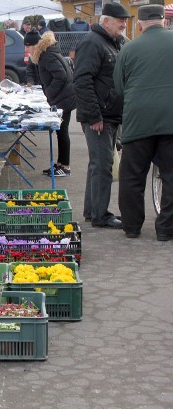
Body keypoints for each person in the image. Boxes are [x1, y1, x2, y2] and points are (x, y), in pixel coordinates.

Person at [113, 5, 173, 241]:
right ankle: (166, 229)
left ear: (139, 25)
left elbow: (119, 87)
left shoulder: (128, 49)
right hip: (171, 120)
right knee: (170, 175)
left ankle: (132, 227)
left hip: (138, 120)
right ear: (163, 21)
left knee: (132, 176)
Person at [73, 2, 129, 229]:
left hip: (109, 114)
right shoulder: (93, 43)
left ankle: (93, 210)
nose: (124, 25)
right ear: (106, 21)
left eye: (125, 21)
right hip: (99, 117)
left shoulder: (113, 43)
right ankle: (100, 216)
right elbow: (81, 81)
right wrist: (94, 115)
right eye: (120, 21)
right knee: (103, 165)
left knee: (98, 164)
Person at [24, 30, 76, 177]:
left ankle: (65, 166)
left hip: (63, 98)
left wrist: (50, 94)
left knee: (62, 131)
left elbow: (61, 75)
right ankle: (60, 164)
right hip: (63, 96)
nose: (26, 49)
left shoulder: (47, 56)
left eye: (28, 46)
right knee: (60, 131)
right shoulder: (46, 53)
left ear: (35, 45)